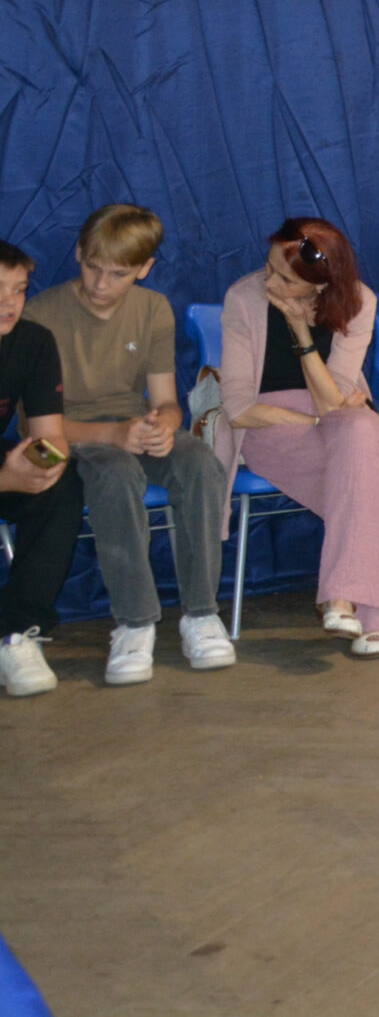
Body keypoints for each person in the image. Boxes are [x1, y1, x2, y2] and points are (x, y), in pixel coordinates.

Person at [27, 205, 234, 681]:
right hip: (69, 434)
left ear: (144, 268)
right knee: (116, 472)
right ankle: (134, 623)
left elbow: (166, 401)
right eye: (92, 267)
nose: (101, 284)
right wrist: (114, 435)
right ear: (78, 253)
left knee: (200, 462)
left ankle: (201, 614)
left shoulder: (152, 309)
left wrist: (164, 425)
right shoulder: (41, 315)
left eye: (118, 274)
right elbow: (36, 430)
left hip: (132, 425)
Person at [212, 219, 379, 653]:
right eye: (269, 268)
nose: (269, 283)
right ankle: (368, 611)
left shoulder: (359, 301)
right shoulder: (243, 297)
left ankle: (342, 597)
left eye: (285, 279)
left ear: (320, 284)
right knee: (372, 479)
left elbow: (333, 404)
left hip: (340, 421)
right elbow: (237, 408)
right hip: (269, 423)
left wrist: (301, 335)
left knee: (358, 427)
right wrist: (313, 423)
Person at [0, 240, 79, 697]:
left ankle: (16, 633)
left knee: (61, 484)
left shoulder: (33, 341)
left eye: (19, 289)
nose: (9, 302)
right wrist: (5, 479)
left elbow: (51, 436)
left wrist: (41, 467)